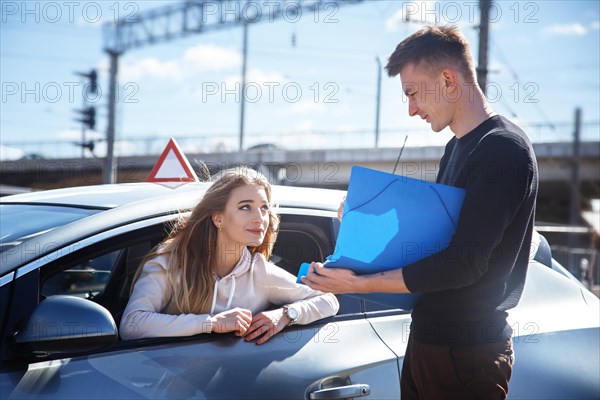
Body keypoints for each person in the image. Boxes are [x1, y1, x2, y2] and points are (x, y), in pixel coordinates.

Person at [303, 25, 538, 399]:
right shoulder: (456, 148)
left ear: (448, 79)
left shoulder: (502, 150)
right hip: (430, 343)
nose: (411, 109)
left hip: (466, 354)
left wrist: (359, 285)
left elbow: (464, 262)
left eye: (412, 93)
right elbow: (436, 240)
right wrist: (366, 220)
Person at [121, 167, 339, 344]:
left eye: (264, 208)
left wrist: (285, 315)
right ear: (218, 218)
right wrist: (212, 323)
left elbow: (328, 300)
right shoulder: (169, 263)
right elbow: (132, 325)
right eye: (246, 207)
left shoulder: (258, 271)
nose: (260, 218)